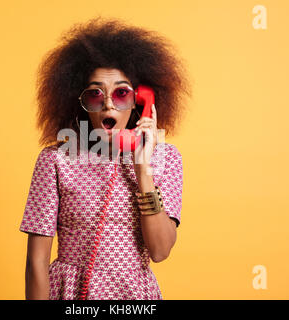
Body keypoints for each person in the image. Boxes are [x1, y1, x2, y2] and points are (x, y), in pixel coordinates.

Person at [19, 17, 190, 300]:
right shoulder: (56, 160)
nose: (109, 103)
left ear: (140, 100)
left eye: (121, 93)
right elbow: (36, 262)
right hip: (71, 295)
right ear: (80, 102)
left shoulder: (166, 158)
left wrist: (142, 168)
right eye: (96, 95)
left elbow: (160, 251)